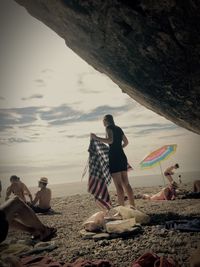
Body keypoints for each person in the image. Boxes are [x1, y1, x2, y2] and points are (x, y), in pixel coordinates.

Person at [90, 114, 135, 207]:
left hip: (114, 157)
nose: (103, 123)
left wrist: (96, 138)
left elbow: (110, 140)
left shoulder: (108, 128)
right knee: (126, 183)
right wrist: (119, 148)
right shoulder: (118, 128)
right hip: (122, 156)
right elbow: (126, 142)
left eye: (103, 121)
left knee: (118, 185)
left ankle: (121, 209)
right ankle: (133, 206)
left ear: (106, 121)